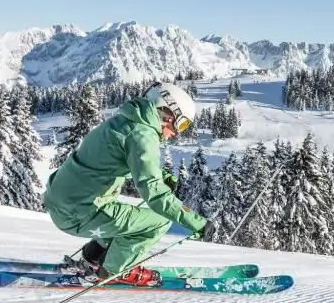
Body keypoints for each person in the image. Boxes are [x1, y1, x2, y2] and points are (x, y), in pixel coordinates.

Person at [43, 82, 213, 285]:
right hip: (79, 214)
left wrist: (157, 176)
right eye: (182, 124)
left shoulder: (123, 122)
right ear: (169, 114)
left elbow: (111, 163)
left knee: (127, 219)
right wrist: (198, 223)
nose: (177, 132)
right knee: (159, 222)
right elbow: (155, 194)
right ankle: (114, 271)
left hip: (61, 203)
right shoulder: (143, 135)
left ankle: (92, 257)